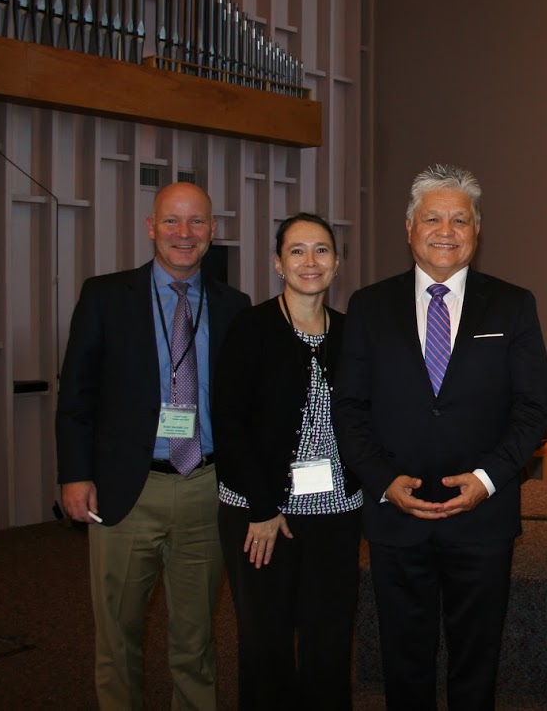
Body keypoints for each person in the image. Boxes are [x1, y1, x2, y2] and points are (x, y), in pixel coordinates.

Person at [334, 163, 547, 709]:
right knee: (402, 660)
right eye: (432, 217)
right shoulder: (368, 306)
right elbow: (349, 408)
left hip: (482, 516)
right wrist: (383, 481)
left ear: (477, 232)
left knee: (476, 659)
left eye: (460, 219)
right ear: (409, 228)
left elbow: (532, 408)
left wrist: (486, 479)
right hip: (394, 515)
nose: (446, 230)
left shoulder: (513, 304)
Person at [55, 182, 251, 709]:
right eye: (171, 221)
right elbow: (76, 392)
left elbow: (245, 404)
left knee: (196, 639)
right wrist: (75, 474)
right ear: (151, 227)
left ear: (211, 232)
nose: (183, 234)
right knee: (117, 636)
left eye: (196, 223)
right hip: (126, 490)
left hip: (204, 490)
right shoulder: (104, 295)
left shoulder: (236, 306)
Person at [213, 212, 363, 708]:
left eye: (321, 249)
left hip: (335, 512)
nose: (310, 261)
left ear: (337, 263)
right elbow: (229, 423)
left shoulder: (351, 333)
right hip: (261, 513)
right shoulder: (251, 327)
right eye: (297, 250)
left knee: (329, 641)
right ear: (278, 263)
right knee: (266, 642)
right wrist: (262, 508)